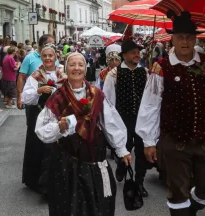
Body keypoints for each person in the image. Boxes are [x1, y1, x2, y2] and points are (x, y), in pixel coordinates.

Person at [136, 11, 205, 216]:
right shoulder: (161, 67)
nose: (185, 41)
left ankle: (190, 208)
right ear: (172, 38)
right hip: (175, 141)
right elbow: (150, 106)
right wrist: (149, 141)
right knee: (178, 193)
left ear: (195, 39)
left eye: (190, 37)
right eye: (180, 36)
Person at [35, 52, 131, 216]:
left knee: (97, 205)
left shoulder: (97, 94)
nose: (76, 68)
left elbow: (110, 122)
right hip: (66, 163)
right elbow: (41, 130)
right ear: (66, 68)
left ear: (85, 69)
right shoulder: (57, 96)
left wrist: (122, 149)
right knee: (69, 208)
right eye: (72, 65)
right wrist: (60, 126)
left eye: (80, 64)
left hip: (94, 161)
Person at [104, 40, 150, 197]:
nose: (137, 54)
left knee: (142, 152)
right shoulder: (114, 74)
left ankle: (139, 183)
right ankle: (121, 166)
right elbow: (108, 101)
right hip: (122, 119)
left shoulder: (145, 72)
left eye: (138, 52)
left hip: (141, 119)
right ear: (124, 55)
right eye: (133, 52)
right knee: (124, 147)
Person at [21, 44, 65, 194]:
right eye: (44, 56)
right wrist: (39, 90)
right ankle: (39, 183)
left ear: (55, 57)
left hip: (58, 116)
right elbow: (26, 97)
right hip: (39, 115)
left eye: (50, 56)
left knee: (57, 148)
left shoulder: (62, 74)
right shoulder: (36, 75)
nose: (47, 58)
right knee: (39, 147)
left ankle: (57, 181)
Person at [17, 34, 55, 110]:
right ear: (44, 45)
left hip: (52, 101)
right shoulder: (29, 57)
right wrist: (19, 97)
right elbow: (21, 77)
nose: (54, 46)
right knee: (33, 120)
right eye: (52, 44)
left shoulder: (54, 57)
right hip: (33, 99)